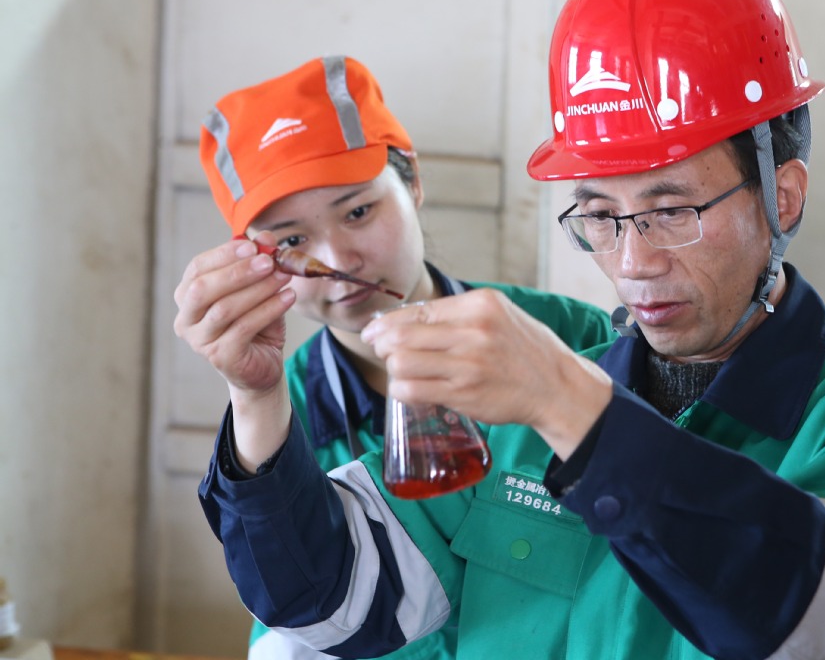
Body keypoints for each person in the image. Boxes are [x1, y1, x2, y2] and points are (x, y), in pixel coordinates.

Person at [190, 0, 825, 660]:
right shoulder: (514, 413)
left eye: (673, 210)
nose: (632, 263)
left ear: (784, 197)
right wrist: (256, 396)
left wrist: (569, 403)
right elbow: (332, 607)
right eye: (599, 215)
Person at [174, 54, 613, 659]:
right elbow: (297, 625)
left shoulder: (568, 336)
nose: (339, 259)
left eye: (358, 212)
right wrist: (253, 396)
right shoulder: (278, 426)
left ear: (413, 184)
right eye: (293, 241)